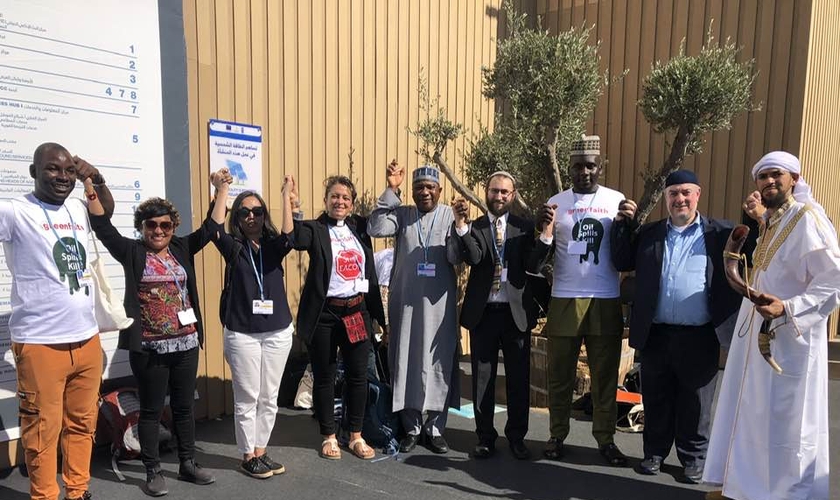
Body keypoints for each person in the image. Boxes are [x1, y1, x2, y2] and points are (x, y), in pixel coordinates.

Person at [702, 152, 840, 500]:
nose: (768, 182)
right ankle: (746, 489)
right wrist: (760, 219)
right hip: (756, 340)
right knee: (751, 416)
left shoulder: (808, 217)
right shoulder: (774, 221)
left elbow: (833, 281)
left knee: (787, 426)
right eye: (762, 177)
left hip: (790, 342)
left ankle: (786, 495)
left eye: (776, 174)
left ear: (795, 177)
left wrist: (788, 308)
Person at [86, 172, 226, 496]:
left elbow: (212, 227)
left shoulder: (181, 247)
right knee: (151, 410)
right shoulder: (132, 252)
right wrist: (89, 186)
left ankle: (188, 463)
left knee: (183, 408)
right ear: (142, 227)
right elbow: (103, 228)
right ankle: (152, 470)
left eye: (165, 225)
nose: (159, 231)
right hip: (149, 348)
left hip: (187, 344)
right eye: (152, 225)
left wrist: (222, 189)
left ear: (173, 227)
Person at [611, 169, 742, 482]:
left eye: (686, 192)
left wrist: (752, 218)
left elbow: (749, 252)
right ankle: (654, 454)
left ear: (697, 194)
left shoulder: (720, 234)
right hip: (656, 333)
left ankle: (694, 459)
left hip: (700, 335)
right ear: (666, 199)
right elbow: (622, 260)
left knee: (696, 403)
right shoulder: (650, 234)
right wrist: (622, 227)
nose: (680, 199)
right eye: (674, 194)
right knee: (656, 398)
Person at [2, 143, 113, 500]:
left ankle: (77, 490)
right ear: (34, 172)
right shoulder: (15, 210)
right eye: (52, 169)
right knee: (41, 430)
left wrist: (92, 176)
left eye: (68, 170)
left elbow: (105, 211)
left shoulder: (79, 207)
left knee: (82, 423)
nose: (63, 177)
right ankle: (45, 495)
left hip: (86, 339)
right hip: (39, 342)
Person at [530, 134, 629, 466]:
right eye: (577, 167)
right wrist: (543, 231)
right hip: (565, 299)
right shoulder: (556, 202)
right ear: (569, 169)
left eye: (590, 166)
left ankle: (606, 439)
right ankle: (557, 434)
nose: (584, 172)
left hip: (605, 298)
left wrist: (630, 224)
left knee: (604, 375)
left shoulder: (616, 199)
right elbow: (540, 255)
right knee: (560, 374)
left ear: (599, 166)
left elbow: (625, 249)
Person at [283, 174, 386, 461]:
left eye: (345, 198)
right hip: (326, 315)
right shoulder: (315, 229)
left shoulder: (360, 228)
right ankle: (329, 435)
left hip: (356, 312)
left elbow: (381, 224)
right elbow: (293, 237)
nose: (339, 201)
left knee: (358, 376)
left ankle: (355, 434)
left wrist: (391, 188)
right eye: (335, 196)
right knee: (325, 377)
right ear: (326, 200)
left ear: (352, 204)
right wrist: (292, 204)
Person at [367, 161, 462, 454]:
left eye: (430, 187)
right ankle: (411, 427)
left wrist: (460, 226)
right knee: (405, 360)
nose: (424, 192)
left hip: (439, 305)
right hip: (405, 302)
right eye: (418, 187)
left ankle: (435, 428)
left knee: (438, 363)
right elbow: (375, 226)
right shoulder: (403, 214)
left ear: (439, 190)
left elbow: (457, 257)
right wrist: (391, 189)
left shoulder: (448, 215)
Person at [209, 172, 294, 479]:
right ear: (238, 218)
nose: (251, 216)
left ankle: (261, 450)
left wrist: (285, 195)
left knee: (269, 396)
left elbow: (289, 235)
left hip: (277, 331)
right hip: (243, 333)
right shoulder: (234, 247)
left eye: (257, 211)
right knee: (247, 397)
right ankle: (247, 455)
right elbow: (213, 227)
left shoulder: (272, 246)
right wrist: (224, 190)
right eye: (244, 212)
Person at [455, 171, 537, 460]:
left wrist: (547, 236)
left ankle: (517, 437)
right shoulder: (473, 227)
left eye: (505, 192)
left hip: (516, 314)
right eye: (494, 191)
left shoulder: (526, 228)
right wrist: (462, 226)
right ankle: (485, 437)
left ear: (512, 195)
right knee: (483, 380)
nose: (499, 196)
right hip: (484, 314)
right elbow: (474, 258)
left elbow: (533, 263)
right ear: (486, 192)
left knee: (518, 379)